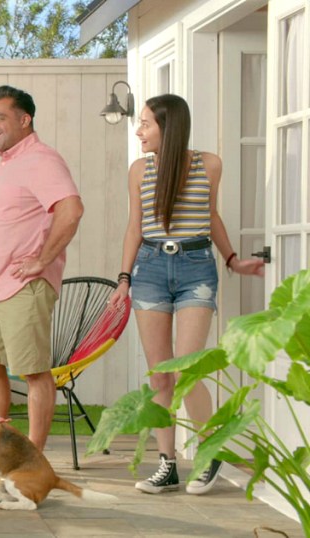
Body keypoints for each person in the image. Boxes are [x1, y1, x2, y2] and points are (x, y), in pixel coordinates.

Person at [108, 94, 264, 495]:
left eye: (145, 123)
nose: (139, 130)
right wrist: (123, 279)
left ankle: (209, 455)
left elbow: (210, 216)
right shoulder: (139, 170)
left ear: (168, 126)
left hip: (196, 267)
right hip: (151, 269)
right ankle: (168, 465)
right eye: (139, 122)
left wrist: (231, 258)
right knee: (161, 375)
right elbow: (134, 227)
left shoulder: (208, 164)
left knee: (186, 370)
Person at [0, 85, 85, 471]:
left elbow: (72, 210)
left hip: (23, 287)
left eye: (0, 118)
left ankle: (31, 459)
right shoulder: (9, 161)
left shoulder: (42, 159)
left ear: (24, 120)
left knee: (33, 371)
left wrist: (41, 261)